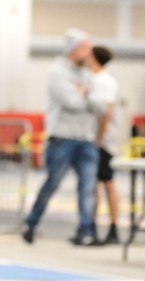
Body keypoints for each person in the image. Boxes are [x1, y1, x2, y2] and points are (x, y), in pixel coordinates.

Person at [22, 29, 102, 246]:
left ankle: (86, 230)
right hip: (62, 138)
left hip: (86, 138)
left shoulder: (88, 75)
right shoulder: (57, 72)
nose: (89, 52)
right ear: (73, 49)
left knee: (87, 187)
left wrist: (84, 95)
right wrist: (86, 97)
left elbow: (100, 105)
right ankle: (31, 223)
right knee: (52, 183)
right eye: (84, 48)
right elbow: (72, 103)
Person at [87, 45, 120, 245]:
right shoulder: (93, 79)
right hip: (94, 138)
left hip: (103, 141)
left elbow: (106, 112)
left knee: (107, 183)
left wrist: (99, 138)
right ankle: (91, 227)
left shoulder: (104, 81)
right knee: (93, 185)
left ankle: (113, 227)